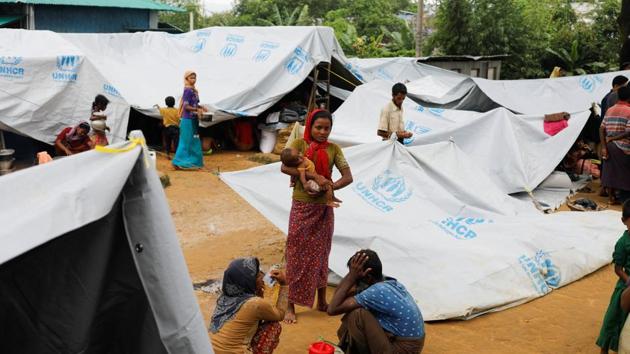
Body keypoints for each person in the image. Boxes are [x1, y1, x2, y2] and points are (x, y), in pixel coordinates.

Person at [280, 109, 353, 323]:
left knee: (322, 254)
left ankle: (321, 301)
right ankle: (290, 306)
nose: (322, 132)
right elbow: (284, 167)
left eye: (327, 128)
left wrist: (330, 186)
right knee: (296, 252)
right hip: (302, 207)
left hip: (324, 209)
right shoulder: (299, 146)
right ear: (310, 126)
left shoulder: (334, 149)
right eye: (318, 127)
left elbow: (348, 176)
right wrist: (313, 175)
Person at [327, 250, 425, 354]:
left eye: (355, 274)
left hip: (402, 349)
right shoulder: (386, 282)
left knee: (357, 315)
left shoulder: (377, 291)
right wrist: (352, 275)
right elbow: (339, 297)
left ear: (368, 276)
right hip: (407, 343)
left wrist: (352, 277)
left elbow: (332, 309)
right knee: (355, 308)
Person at [210, 257, 288, 354]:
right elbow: (280, 314)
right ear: (249, 281)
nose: (262, 277)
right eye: (257, 275)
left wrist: (257, 291)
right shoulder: (255, 304)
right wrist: (284, 284)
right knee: (273, 326)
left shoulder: (223, 298)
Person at [597, 200, 630, 354]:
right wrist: (627, 280)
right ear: (624, 221)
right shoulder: (623, 243)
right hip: (625, 284)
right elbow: (618, 268)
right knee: (613, 318)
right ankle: (604, 349)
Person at [600, 85, 630, 204]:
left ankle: (611, 198)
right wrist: (614, 138)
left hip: (608, 146)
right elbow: (628, 132)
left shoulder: (610, 109)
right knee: (625, 173)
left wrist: (604, 146)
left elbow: (601, 128)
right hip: (623, 147)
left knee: (610, 170)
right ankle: (625, 199)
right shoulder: (629, 111)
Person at [172, 71, 206, 169]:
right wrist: (197, 109)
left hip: (194, 119)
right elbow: (186, 106)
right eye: (191, 78)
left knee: (195, 140)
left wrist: (201, 107)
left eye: (195, 78)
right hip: (187, 121)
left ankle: (194, 163)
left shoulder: (194, 91)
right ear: (186, 79)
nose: (193, 80)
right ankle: (178, 162)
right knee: (186, 141)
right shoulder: (187, 90)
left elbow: (194, 104)